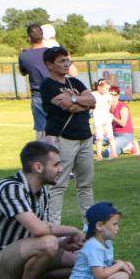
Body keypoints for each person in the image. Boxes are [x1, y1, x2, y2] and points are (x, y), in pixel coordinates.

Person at [0, 140, 85, 279]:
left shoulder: (43, 192)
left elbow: (43, 231)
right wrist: (74, 230)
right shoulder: (10, 188)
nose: (61, 169)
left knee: (83, 260)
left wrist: (64, 243)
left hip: (21, 252)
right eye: (56, 164)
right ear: (38, 167)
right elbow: (39, 230)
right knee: (49, 243)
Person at [38, 47, 96, 226]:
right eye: (61, 61)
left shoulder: (74, 82)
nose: (66, 64)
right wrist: (80, 103)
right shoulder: (48, 85)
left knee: (85, 184)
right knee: (58, 184)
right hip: (64, 138)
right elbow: (67, 107)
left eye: (67, 60)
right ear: (50, 65)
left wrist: (74, 98)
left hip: (85, 136)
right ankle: (53, 226)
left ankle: (88, 225)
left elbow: (92, 100)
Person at [69, 202, 135, 279]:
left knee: (127, 269)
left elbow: (103, 264)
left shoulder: (106, 242)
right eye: (114, 224)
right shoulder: (93, 246)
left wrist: (119, 263)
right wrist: (119, 265)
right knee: (121, 277)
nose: (117, 228)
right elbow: (100, 275)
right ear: (99, 226)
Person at [17, 24, 50, 140]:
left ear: (29, 38)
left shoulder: (24, 56)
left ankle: (41, 150)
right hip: (57, 93)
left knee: (41, 131)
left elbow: (23, 72)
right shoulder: (52, 53)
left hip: (38, 96)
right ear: (42, 36)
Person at [108, 86, 138, 156]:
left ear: (118, 96)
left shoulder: (123, 107)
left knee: (107, 153)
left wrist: (112, 117)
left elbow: (123, 123)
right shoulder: (108, 106)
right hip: (112, 133)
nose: (112, 96)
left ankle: (129, 147)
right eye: (110, 94)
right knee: (95, 138)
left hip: (125, 134)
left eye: (115, 94)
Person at [91, 78, 116, 159]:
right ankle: (99, 154)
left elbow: (110, 105)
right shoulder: (93, 94)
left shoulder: (108, 95)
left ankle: (114, 153)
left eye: (108, 89)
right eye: (105, 89)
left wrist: (108, 113)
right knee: (99, 137)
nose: (107, 91)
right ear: (99, 87)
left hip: (106, 118)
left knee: (110, 136)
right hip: (98, 118)